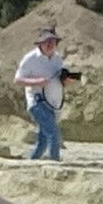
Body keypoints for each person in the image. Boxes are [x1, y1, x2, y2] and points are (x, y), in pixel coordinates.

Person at [14, 26, 71, 162]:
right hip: (37, 102)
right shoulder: (30, 59)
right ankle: (54, 162)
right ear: (40, 43)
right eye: (47, 42)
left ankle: (30, 163)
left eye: (53, 42)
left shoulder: (57, 59)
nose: (51, 45)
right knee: (53, 132)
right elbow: (17, 80)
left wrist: (67, 80)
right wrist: (36, 82)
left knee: (43, 141)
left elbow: (60, 77)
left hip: (53, 104)